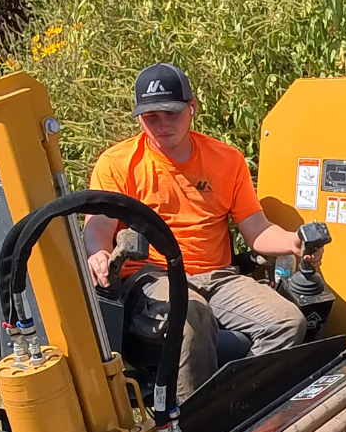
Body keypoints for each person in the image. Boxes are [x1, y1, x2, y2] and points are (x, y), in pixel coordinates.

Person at [84, 62, 320, 402]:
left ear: (192, 108)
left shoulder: (227, 160)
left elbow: (256, 229)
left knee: (287, 322)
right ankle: (192, 430)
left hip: (218, 278)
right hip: (152, 278)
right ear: (139, 118)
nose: (162, 125)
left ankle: (237, 406)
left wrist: (294, 243)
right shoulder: (118, 164)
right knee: (191, 314)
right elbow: (98, 230)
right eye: (152, 117)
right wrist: (99, 254)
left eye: (172, 113)